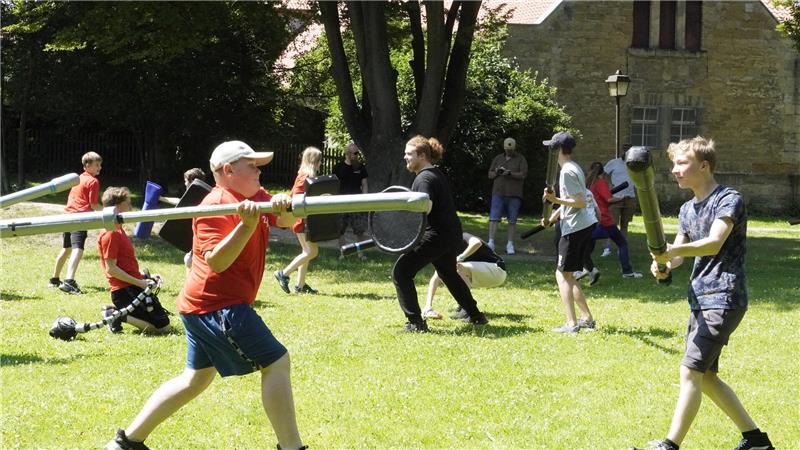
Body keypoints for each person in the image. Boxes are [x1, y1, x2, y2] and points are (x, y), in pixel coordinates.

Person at [105, 140, 304, 450]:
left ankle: (126, 443)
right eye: (252, 165)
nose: (259, 171)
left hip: (202, 306)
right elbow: (218, 261)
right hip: (216, 306)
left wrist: (285, 206)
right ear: (228, 170)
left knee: (194, 380)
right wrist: (246, 225)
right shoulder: (214, 204)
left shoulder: (255, 196)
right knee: (276, 362)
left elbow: (286, 221)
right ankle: (292, 447)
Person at [631, 137, 773, 450]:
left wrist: (671, 250)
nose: (674, 171)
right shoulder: (686, 209)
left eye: (682, 164)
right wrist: (664, 264)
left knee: (690, 371)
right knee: (706, 376)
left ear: (704, 165)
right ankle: (756, 440)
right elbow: (680, 255)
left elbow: (713, 242)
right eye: (672, 165)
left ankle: (669, 445)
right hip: (700, 299)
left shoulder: (728, 199)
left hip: (725, 296)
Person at [392, 136, 489, 332]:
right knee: (448, 274)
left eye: (409, 154)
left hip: (436, 235)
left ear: (422, 155)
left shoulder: (424, 177)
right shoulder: (435, 173)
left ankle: (416, 323)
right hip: (450, 235)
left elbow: (425, 206)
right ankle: (476, 316)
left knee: (401, 272)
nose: (405, 157)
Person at [540, 132, 597, 333]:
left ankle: (572, 324)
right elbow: (572, 200)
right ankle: (587, 318)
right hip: (580, 225)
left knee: (562, 274)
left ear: (557, 150)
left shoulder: (567, 172)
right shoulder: (573, 168)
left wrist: (555, 201)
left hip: (575, 227)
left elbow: (580, 202)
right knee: (568, 274)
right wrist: (552, 218)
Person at [97, 186, 171, 334]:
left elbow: (125, 264)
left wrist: (145, 277)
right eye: (127, 202)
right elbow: (111, 269)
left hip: (133, 284)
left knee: (165, 326)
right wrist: (140, 283)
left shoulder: (119, 229)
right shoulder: (111, 233)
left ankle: (119, 313)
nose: (130, 205)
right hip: (124, 290)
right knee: (159, 330)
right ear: (117, 207)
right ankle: (114, 315)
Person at [574, 162, 643, 283]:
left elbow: (602, 200)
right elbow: (609, 199)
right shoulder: (601, 183)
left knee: (586, 247)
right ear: (603, 172)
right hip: (604, 220)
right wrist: (621, 198)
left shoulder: (589, 184)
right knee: (622, 243)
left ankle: (584, 269)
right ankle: (627, 272)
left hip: (591, 220)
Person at [50, 151, 103, 294]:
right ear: (87, 165)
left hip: (67, 215)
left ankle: (54, 280)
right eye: (96, 165)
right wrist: (107, 211)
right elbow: (93, 204)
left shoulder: (78, 178)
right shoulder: (93, 181)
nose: (99, 168)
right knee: (78, 248)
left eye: (100, 165)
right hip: (79, 218)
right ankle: (69, 281)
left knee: (66, 248)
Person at [422, 232, 506, 320]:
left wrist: (460, 257)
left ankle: (466, 310)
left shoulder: (461, 236)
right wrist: (428, 306)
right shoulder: (446, 248)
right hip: (483, 276)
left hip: (497, 271)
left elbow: (477, 243)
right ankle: (464, 306)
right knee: (445, 272)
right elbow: (436, 277)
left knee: (457, 267)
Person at [275, 147, 322, 294]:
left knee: (306, 251)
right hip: (301, 220)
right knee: (312, 252)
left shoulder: (305, 174)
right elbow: (297, 197)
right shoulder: (305, 176)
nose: (321, 163)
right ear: (314, 161)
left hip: (302, 219)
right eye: (320, 160)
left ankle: (300, 286)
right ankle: (284, 273)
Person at [487, 137, 528, 255]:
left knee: (512, 220)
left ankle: (510, 244)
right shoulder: (498, 158)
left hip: (514, 194)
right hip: (498, 192)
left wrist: (509, 173)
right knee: (494, 218)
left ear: (514, 148)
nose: (508, 151)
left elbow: (523, 174)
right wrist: (497, 172)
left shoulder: (521, 159)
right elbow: (490, 174)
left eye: (510, 150)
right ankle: (491, 242)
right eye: (507, 149)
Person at [333, 142, 369, 261]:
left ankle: (361, 254)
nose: (357, 155)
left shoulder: (360, 167)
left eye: (357, 153)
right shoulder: (338, 167)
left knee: (359, 230)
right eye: (355, 153)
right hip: (341, 202)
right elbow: (333, 185)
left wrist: (364, 199)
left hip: (357, 202)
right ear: (348, 153)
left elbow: (364, 184)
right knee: (340, 230)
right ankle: (343, 253)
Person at [603, 147, 637, 256]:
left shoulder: (634, 165)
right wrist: (608, 186)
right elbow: (603, 174)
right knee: (611, 224)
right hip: (615, 198)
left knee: (624, 225)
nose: (625, 153)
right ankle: (607, 248)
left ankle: (621, 248)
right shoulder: (614, 163)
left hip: (629, 197)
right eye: (624, 151)